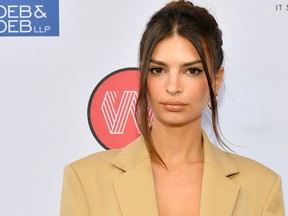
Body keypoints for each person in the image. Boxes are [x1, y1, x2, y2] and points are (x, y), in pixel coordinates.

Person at [60, 1, 285, 215]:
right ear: (144, 77)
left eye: (192, 71)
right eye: (158, 70)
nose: (173, 86)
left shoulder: (261, 187)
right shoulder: (85, 181)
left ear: (216, 81)